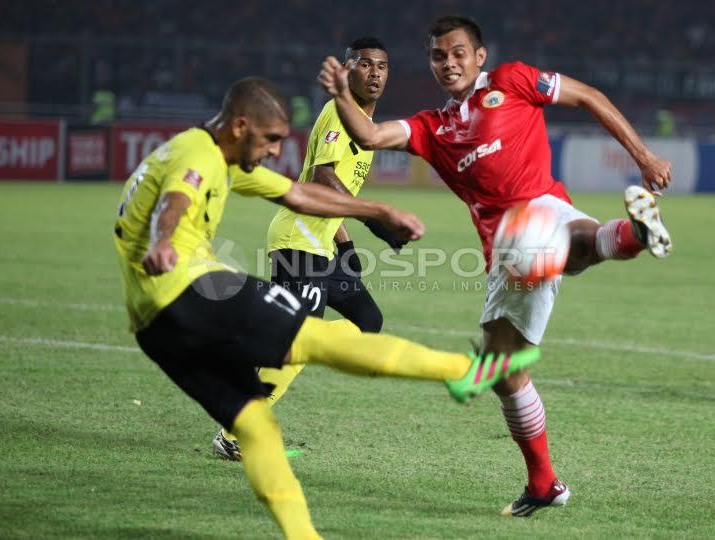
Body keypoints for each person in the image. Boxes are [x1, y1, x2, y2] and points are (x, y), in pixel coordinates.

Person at [114, 76, 542, 539]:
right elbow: (175, 201)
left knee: (257, 428)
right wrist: (162, 241)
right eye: (271, 139)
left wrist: (376, 213)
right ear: (240, 125)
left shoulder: (215, 152)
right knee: (311, 336)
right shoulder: (198, 156)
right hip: (188, 288)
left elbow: (297, 193)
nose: (277, 151)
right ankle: (461, 370)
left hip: (152, 322)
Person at [317, 15, 674, 517]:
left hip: (537, 215)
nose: (449, 63)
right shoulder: (432, 127)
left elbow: (589, 95)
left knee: (553, 241)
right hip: (507, 253)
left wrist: (643, 155)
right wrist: (340, 94)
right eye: (439, 56)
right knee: (503, 369)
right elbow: (372, 136)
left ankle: (632, 236)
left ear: (479, 56)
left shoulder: (513, 81)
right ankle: (544, 483)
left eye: (458, 52)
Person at [212, 36, 405, 461]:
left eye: (382, 66)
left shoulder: (364, 127)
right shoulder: (340, 113)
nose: (375, 73)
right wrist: (373, 219)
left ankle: (268, 340)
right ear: (349, 69)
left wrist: (347, 245)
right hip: (298, 238)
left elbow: (335, 197)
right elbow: (322, 178)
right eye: (366, 64)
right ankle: (234, 431)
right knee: (298, 345)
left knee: (368, 319)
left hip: (320, 241)